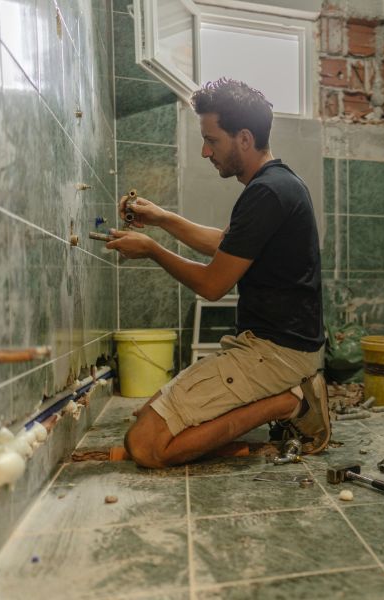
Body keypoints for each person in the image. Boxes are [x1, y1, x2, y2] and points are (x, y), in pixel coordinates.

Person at [106, 78, 328, 468]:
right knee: (147, 414)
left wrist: (153, 250)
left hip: (276, 355)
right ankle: (287, 394)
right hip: (275, 347)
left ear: (244, 138)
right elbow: (226, 245)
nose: (205, 151)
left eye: (212, 140)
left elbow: (213, 284)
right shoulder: (279, 184)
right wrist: (161, 218)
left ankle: (290, 401)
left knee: (145, 444)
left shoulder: (267, 193)